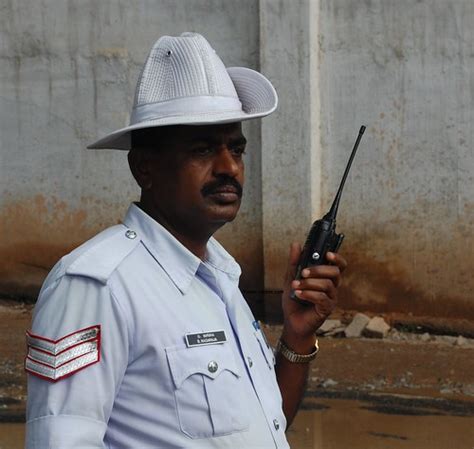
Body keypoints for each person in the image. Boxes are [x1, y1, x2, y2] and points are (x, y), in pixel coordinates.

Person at [25, 32, 347, 449]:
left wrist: (298, 337)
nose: (229, 167)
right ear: (144, 168)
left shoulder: (219, 277)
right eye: (202, 150)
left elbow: (262, 427)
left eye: (237, 148)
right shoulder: (96, 286)